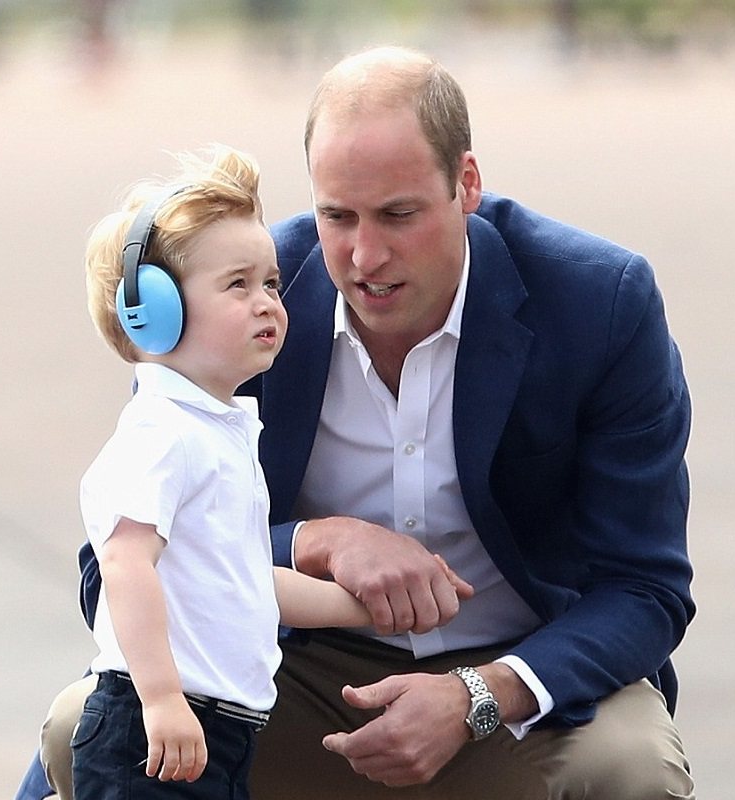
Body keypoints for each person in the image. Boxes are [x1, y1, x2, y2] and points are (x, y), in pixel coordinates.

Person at [18, 45, 695, 800]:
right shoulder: (247, 298)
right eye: (336, 215)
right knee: (82, 728)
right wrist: (315, 541)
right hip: (294, 679)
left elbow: (645, 587)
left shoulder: (601, 301)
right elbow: (110, 567)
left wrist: (478, 696)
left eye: (398, 215)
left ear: (466, 183)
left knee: (636, 773)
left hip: (514, 677)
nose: (363, 255)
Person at [39, 141, 472, 800]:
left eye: (270, 282)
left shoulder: (220, 430)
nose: (269, 301)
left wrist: (378, 612)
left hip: (223, 734)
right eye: (237, 285)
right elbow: (125, 565)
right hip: (155, 731)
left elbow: (246, 580)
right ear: (153, 314)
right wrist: (159, 700)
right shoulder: (162, 435)